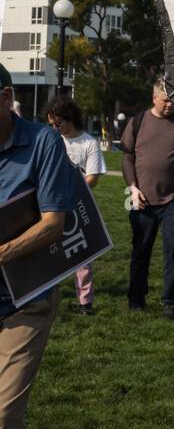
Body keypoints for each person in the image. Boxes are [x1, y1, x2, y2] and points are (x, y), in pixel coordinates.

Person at [0, 62, 75, 429]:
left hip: (22, 302)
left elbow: (54, 222)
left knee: (1, 415)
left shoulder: (43, 143)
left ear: (6, 97)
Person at [120, 79, 174, 320]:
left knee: (173, 251)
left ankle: (171, 302)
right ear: (154, 98)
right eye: (165, 100)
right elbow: (126, 159)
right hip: (142, 200)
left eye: (173, 100)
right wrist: (133, 189)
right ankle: (136, 298)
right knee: (140, 250)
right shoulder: (138, 122)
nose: (170, 105)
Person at [46, 95, 106, 314]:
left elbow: (93, 177)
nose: (54, 127)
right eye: (51, 124)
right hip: (50, 207)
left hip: (78, 206)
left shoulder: (89, 142)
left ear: (69, 118)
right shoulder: (51, 140)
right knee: (50, 253)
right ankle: (46, 299)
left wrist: (70, 195)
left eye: (57, 123)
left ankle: (85, 302)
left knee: (82, 256)